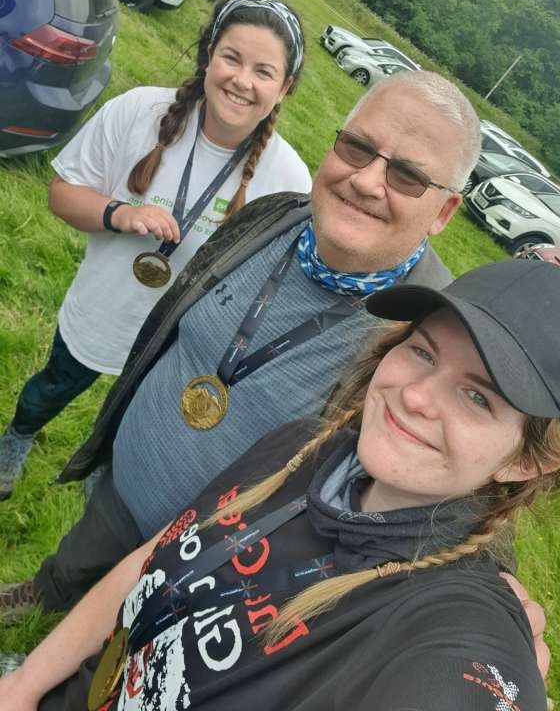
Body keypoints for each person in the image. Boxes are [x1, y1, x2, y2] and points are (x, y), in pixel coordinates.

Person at [1, 69, 481, 616]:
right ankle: (46, 593)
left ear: (444, 211)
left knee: (119, 663)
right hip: (123, 481)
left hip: (210, 572)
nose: (368, 181)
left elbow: (447, 501)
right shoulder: (269, 217)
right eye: (358, 147)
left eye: (408, 176)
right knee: (75, 563)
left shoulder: (429, 337)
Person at [0, 259, 560, 710]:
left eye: (479, 396)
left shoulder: (454, 622)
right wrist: (25, 685)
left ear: (527, 463)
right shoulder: (303, 448)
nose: (417, 396)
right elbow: (154, 559)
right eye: (423, 351)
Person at [0, 0, 310, 500]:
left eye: (263, 71)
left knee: (133, 424)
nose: (241, 81)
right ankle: (18, 436)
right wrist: (121, 214)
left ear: (284, 88)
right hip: (105, 309)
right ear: (209, 53)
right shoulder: (140, 110)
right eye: (231, 57)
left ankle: (105, 481)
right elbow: (61, 193)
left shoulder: (289, 180)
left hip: (183, 346)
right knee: (52, 387)